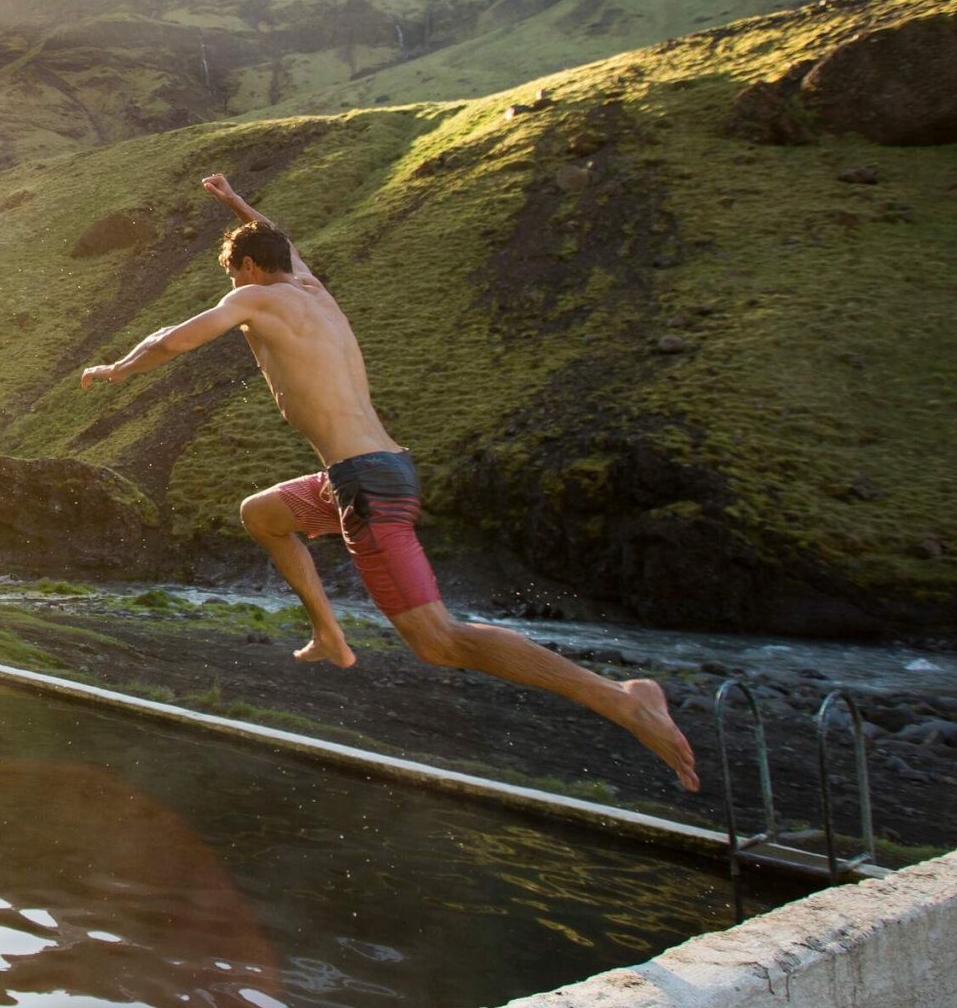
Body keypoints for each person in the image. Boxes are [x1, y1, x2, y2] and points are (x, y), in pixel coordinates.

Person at [77, 172, 699, 791]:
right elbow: (282, 243)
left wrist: (118, 369)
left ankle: (622, 699)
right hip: (379, 470)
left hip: (365, 486)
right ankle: (329, 633)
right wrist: (237, 203)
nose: (231, 289)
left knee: (438, 641)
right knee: (262, 514)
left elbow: (172, 339)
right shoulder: (316, 293)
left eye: (232, 274)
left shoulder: (255, 298)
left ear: (243, 266)